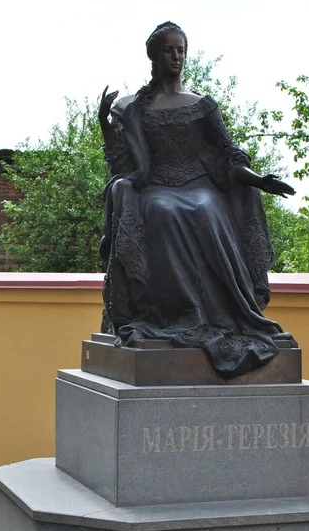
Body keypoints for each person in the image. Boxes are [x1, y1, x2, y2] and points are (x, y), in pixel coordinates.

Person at [98, 21, 297, 380]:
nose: (176, 56)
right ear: (153, 56)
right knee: (160, 211)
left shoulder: (202, 106)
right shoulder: (133, 107)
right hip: (156, 187)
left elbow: (228, 157)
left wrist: (260, 181)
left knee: (207, 209)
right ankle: (177, 314)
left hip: (200, 185)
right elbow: (121, 164)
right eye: (168, 50)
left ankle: (229, 313)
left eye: (181, 50)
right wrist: (105, 125)